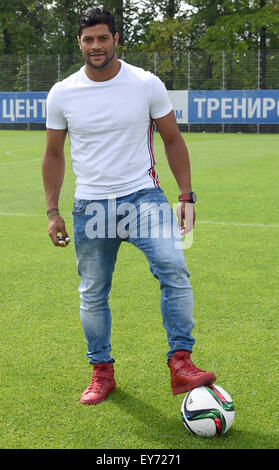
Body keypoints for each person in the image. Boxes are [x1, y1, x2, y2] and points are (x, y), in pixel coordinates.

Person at [42, 6, 216, 406]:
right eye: (88, 39)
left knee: (174, 267)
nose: (96, 46)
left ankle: (181, 361)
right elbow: (53, 153)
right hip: (91, 205)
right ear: (80, 42)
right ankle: (101, 371)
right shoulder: (62, 92)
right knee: (93, 292)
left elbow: (172, 139)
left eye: (103, 38)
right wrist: (53, 211)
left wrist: (185, 195)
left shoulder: (145, 83)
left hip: (142, 197)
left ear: (116, 39)